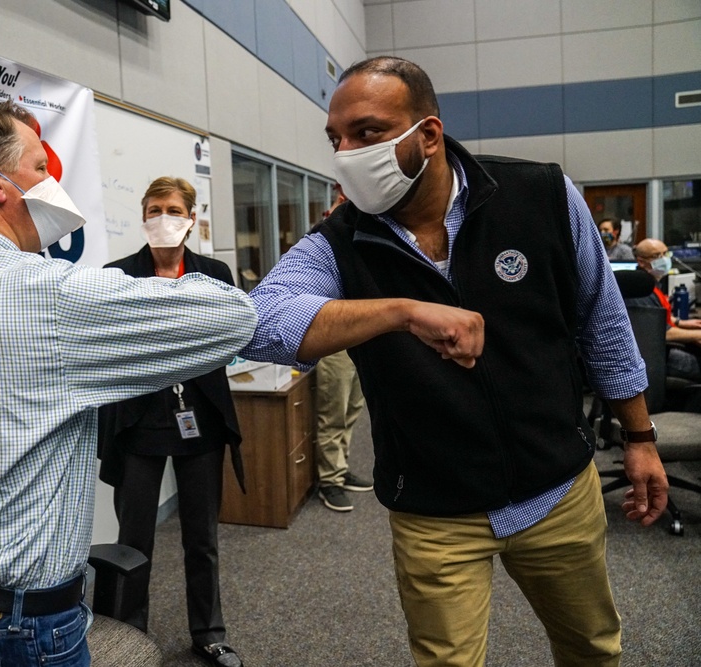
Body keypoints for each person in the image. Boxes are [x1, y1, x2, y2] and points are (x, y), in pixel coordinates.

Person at [239, 56, 668, 667]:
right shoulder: (339, 241)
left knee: (593, 647)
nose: (346, 153)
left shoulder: (541, 194)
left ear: (429, 135)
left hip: (556, 488)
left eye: (367, 133)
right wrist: (399, 311)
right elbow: (262, 325)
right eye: (336, 139)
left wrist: (640, 435)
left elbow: (603, 321)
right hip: (434, 509)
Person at [0, 100, 257, 667]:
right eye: (39, 169)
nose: (51, 183)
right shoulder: (47, 294)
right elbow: (234, 318)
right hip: (25, 630)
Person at [97, 177, 245, 667]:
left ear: (191, 218)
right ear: (143, 217)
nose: (165, 217)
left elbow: (229, 338)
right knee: (133, 540)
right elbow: (114, 349)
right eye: (155, 208)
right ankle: (127, 633)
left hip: (198, 419)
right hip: (138, 423)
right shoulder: (116, 276)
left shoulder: (214, 274)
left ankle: (209, 631)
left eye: (174, 209)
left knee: (201, 536)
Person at [314, 186, 372, 513]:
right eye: (341, 192)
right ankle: (330, 480)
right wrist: (337, 215)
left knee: (352, 408)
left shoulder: (367, 226)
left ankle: (342, 465)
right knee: (333, 411)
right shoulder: (327, 230)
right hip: (335, 337)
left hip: (361, 335)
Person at [630, 238, 701, 381]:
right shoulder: (642, 290)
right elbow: (662, 333)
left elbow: (655, 314)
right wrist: (697, 334)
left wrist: (680, 322)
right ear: (641, 261)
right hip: (661, 355)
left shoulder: (652, 283)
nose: (663, 259)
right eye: (657, 256)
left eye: (665, 254)